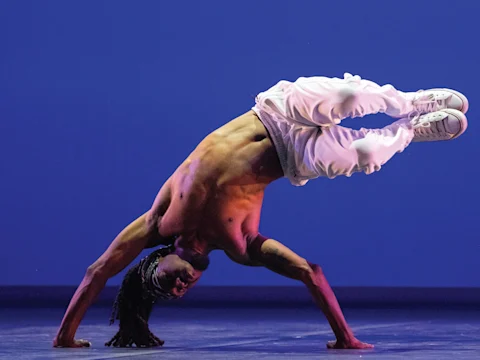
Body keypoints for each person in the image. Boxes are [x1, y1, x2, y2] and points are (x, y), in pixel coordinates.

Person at [53, 73, 469, 350]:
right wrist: (345, 338)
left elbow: (98, 271)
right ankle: (412, 130)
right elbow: (311, 272)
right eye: (180, 294)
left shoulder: (158, 221)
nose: (177, 289)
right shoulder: (240, 246)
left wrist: (65, 337)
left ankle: (412, 102)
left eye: (164, 287)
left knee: (349, 97)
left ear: (153, 265)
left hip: (275, 111)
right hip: (296, 156)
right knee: (365, 153)